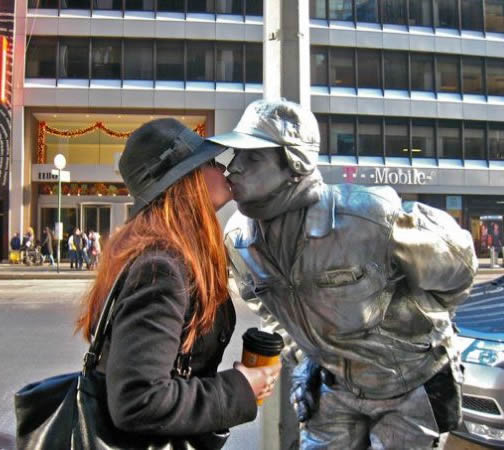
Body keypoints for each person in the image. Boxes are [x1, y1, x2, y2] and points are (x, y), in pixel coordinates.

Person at [208, 99, 478, 450]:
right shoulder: (239, 238)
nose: (234, 168)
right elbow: (266, 309)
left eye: (253, 157)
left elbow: (459, 267)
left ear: (294, 163)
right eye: (236, 155)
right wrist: (304, 358)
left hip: (410, 385)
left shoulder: (367, 217)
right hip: (332, 385)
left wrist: (419, 328)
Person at [75, 118, 281, 448]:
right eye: (212, 162)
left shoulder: (163, 253)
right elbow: (138, 399)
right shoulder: (162, 268)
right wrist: (239, 387)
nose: (224, 169)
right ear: (186, 179)